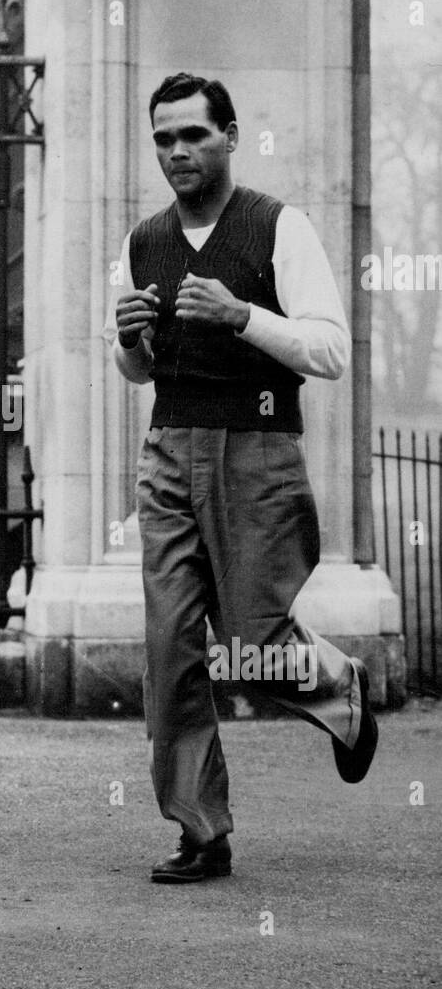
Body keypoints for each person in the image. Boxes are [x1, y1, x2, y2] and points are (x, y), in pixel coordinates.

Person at [103, 72, 378, 884]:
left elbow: (330, 351)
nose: (177, 152)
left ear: (228, 136)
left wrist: (240, 316)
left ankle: (340, 688)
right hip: (167, 449)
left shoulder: (276, 227)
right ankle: (199, 831)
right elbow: (133, 368)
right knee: (170, 647)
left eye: (192, 134)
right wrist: (126, 343)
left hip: (256, 448)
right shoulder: (142, 242)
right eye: (162, 138)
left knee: (253, 642)